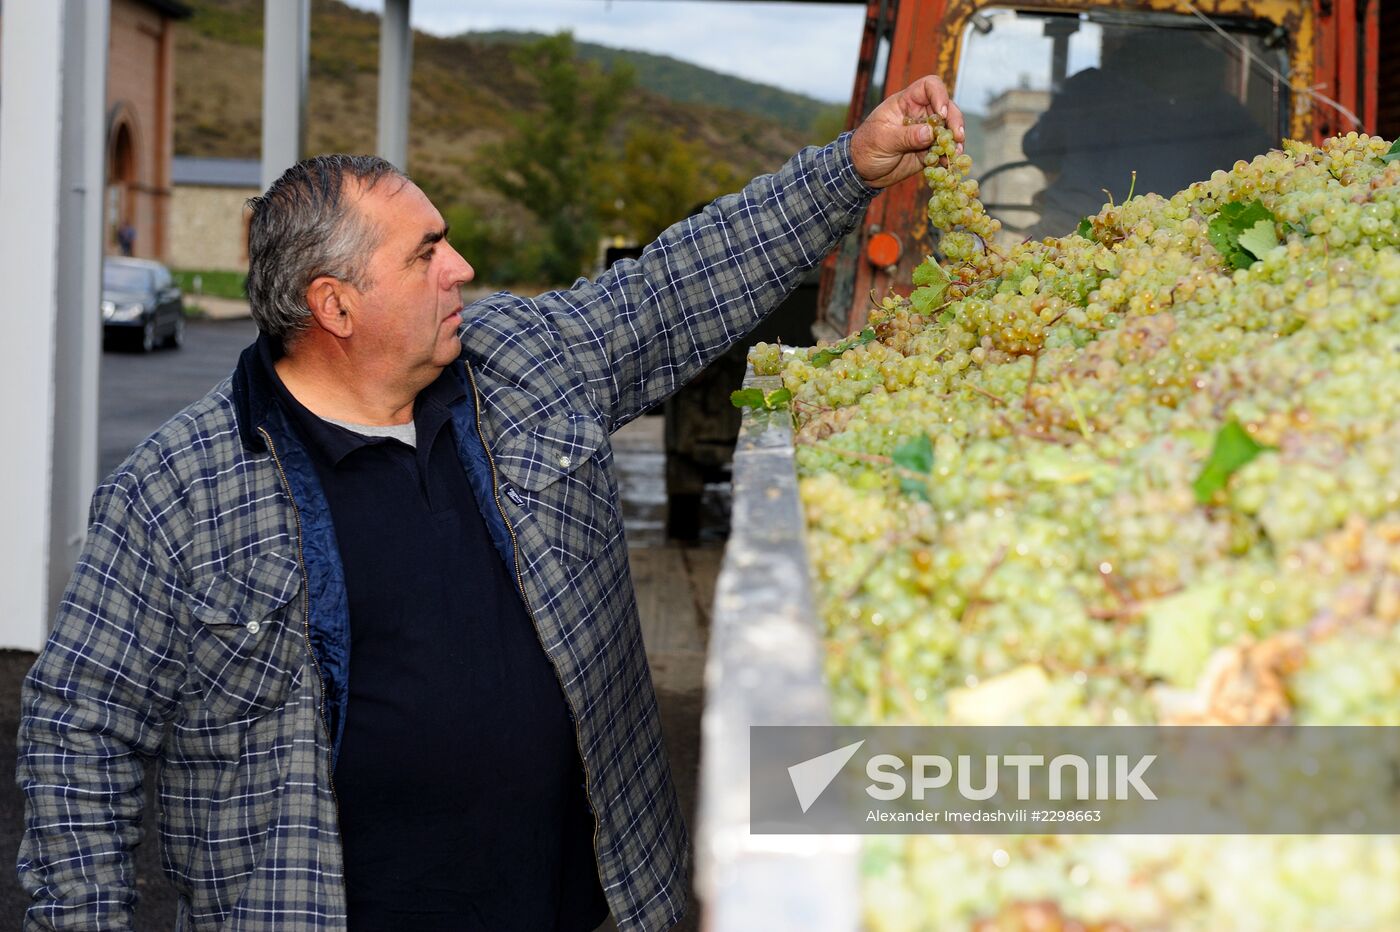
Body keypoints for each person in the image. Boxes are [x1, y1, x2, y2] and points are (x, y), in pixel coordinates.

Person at [16, 76, 964, 931]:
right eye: (425, 253)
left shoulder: (524, 362)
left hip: (585, 906)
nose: (461, 266)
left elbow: (678, 286)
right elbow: (78, 730)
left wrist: (851, 167)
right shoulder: (174, 494)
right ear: (335, 306)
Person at [1022, 26, 1275, 238]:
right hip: (1183, 245)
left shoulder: (1088, 88)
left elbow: (1038, 150)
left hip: (1074, 233)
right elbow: (1269, 169)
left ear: (1123, 47)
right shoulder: (1229, 112)